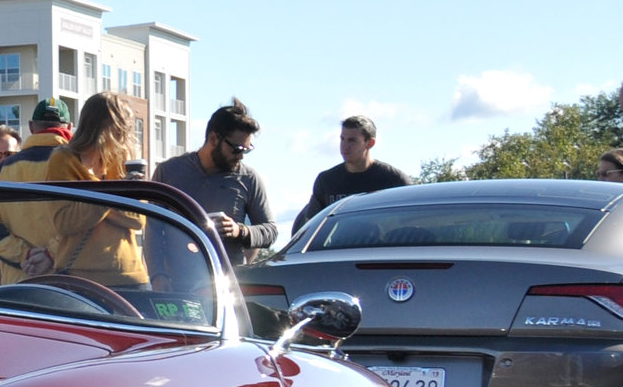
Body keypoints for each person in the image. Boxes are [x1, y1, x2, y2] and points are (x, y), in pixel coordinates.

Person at [32, 94, 148, 288]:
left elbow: (137, 219)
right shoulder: (64, 159)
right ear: (104, 127)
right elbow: (66, 222)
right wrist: (115, 197)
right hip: (80, 276)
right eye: (122, 128)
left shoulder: (122, 158)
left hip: (130, 274)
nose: (125, 136)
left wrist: (94, 203)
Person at [155, 101, 276, 263]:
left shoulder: (249, 178)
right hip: (177, 281)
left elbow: (270, 231)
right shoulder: (168, 172)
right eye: (237, 149)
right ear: (213, 139)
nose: (241, 156)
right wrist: (158, 275)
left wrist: (240, 231)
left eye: (247, 150)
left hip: (225, 280)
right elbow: (153, 232)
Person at [0, 101, 73, 283]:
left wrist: (25, 255)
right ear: (70, 127)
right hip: (71, 286)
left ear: (31, 127)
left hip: (18, 286)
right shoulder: (80, 165)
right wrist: (50, 254)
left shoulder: (3, 171)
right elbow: (86, 219)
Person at [294, 115, 410, 234]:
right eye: (342, 139)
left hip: (382, 249)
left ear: (370, 143)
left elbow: (412, 221)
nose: (344, 146)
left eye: (352, 140)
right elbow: (311, 227)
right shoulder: (326, 180)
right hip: (339, 249)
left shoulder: (395, 180)